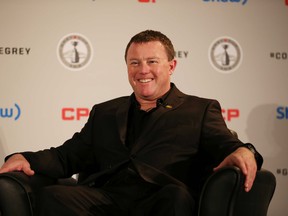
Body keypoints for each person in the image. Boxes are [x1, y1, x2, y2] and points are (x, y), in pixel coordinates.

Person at [0, 30, 263, 216]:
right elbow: (67, 155)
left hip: (161, 198)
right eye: (134, 62)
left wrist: (244, 151)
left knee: (176, 198)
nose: (142, 70)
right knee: (53, 196)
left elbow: (226, 144)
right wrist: (26, 158)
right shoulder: (104, 112)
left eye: (152, 61)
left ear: (171, 66)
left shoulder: (200, 109)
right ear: (127, 67)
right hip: (108, 199)